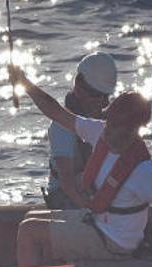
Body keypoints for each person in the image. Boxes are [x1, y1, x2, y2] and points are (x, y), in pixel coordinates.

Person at [8, 65, 152, 267]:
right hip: (98, 221)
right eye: (109, 121)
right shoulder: (99, 131)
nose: (108, 130)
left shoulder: (143, 170)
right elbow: (56, 112)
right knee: (31, 216)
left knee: (28, 231)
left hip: (113, 243)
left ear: (134, 130)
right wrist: (25, 83)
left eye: (117, 126)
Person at [43, 52, 117, 210]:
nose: (103, 103)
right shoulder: (62, 127)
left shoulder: (102, 120)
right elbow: (68, 184)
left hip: (94, 189)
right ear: (79, 86)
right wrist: (93, 211)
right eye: (96, 95)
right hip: (65, 197)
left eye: (106, 96)